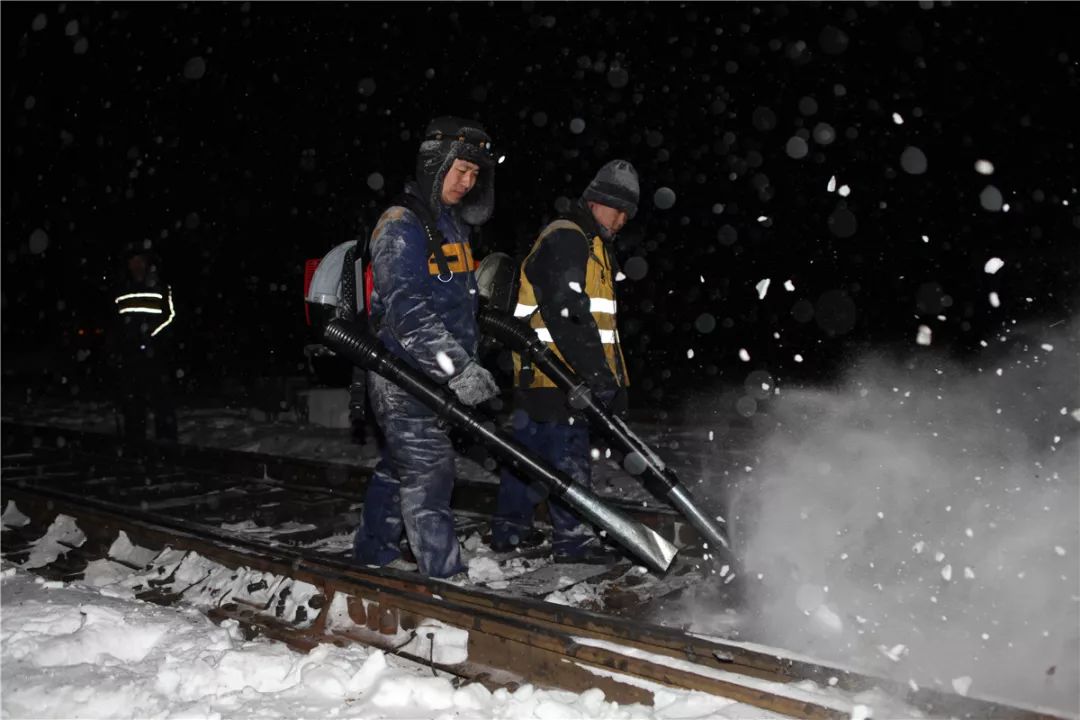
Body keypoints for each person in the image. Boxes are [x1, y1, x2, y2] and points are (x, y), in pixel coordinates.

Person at [353, 116, 500, 579]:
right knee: (430, 472)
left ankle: (373, 550)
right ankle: (446, 583)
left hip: (433, 374)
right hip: (402, 374)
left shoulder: (452, 226)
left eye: (475, 175)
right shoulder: (401, 224)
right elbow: (407, 312)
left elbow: (454, 300)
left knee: (401, 467)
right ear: (435, 166)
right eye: (460, 171)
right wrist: (458, 368)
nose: (467, 181)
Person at [491, 160, 639, 563]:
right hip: (558, 375)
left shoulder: (593, 247)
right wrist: (597, 375)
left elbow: (602, 326)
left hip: (544, 375)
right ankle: (573, 542)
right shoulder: (568, 237)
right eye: (616, 207)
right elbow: (568, 310)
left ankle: (510, 532)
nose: (622, 218)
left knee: (526, 457)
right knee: (568, 458)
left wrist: (615, 382)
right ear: (594, 201)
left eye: (628, 212)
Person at [112, 250, 178, 443]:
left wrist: (149, 333)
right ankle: (135, 443)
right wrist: (118, 345)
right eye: (132, 262)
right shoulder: (122, 288)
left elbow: (170, 315)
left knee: (162, 401)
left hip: (156, 353)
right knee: (133, 401)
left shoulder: (160, 285)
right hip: (129, 355)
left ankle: (167, 445)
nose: (136, 266)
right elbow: (116, 321)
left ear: (146, 262)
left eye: (139, 261)